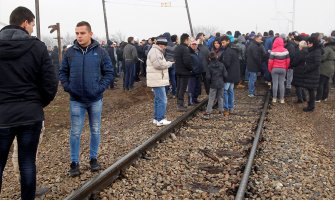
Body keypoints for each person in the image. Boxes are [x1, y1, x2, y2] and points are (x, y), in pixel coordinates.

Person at [0, 6, 58, 199]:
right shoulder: (37, 47)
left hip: (2, 116)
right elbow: (50, 83)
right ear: (25, 23)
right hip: (30, 115)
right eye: (32, 24)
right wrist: (37, 103)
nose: (32, 28)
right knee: (27, 162)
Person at [59, 21, 113, 177]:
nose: (79, 36)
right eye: (77, 33)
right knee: (75, 132)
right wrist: (68, 87)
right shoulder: (70, 53)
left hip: (95, 99)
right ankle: (74, 163)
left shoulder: (101, 52)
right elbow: (62, 72)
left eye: (82, 33)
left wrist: (99, 88)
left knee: (95, 130)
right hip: (76, 100)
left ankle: (93, 159)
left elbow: (109, 72)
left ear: (90, 33)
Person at [146, 37, 174, 126]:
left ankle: (156, 118)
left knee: (158, 99)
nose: (165, 47)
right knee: (163, 100)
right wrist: (169, 63)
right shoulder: (155, 51)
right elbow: (159, 65)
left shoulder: (155, 51)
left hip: (157, 79)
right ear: (161, 45)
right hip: (157, 80)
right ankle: (160, 119)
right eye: (165, 46)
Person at [291, 36, 322, 112]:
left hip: (312, 74)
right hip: (311, 74)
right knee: (310, 90)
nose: (307, 44)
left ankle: (311, 107)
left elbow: (317, 63)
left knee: (311, 91)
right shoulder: (313, 50)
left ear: (312, 43)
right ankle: (310, 105)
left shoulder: (316, 51)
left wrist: (307, 68)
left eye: (308, 43)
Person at [220, 36, 240, 115]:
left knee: (225, 90)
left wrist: (221, 65)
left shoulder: (228, 51)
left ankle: (226, 107)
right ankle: (231, 107)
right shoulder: (234, 49)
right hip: (234, 74)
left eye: (223, 42)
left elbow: (227, 63)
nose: (222, 44)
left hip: (228, 74)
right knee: (230, 91)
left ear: (228, 41)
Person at [203, 52, 227, 119]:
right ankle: (221, 110)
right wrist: (223, 80)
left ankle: (208, 111)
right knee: (221, 97)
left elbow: (208, 77)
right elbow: (225, 74)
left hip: (213, 84)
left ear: (209, 59)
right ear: (216, 57)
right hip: (221, 83)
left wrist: (209, 83)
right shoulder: (221, 65)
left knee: (211, 98)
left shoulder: (209, 66)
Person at [268, 37, 290, 103]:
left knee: (275, 83)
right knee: (282, 84)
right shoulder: (286, 51)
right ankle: (282, 99)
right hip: (283, 69)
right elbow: (288, 61)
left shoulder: (273, 51)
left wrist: (270, 69)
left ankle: (274, 98)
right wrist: (286, 68)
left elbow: (270, 61)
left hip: (274, 69)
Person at [175, 33, 192, 112]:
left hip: (178, 71)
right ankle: (180, 105)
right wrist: (191, 69)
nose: (190, 41)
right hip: (184, 71)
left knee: (179, 87)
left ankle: (179, 103)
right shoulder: (185, 49)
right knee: (182, 88)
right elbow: (187, 62)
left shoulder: (177, 48)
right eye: (189, 39)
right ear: (186, 40)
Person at [316, 36, 335, 102]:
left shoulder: (327, 48)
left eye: (324, 41)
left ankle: (318, 98)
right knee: (326, 83)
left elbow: (323, 57)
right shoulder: (333, 48)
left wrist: (317, 58)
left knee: (320, 83)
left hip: (325, 68)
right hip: (331, 67)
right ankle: (325, 97)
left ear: (327, 42)